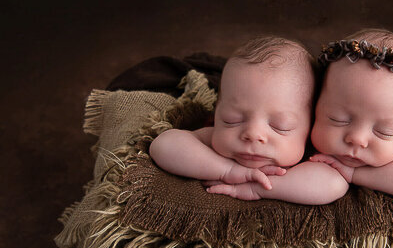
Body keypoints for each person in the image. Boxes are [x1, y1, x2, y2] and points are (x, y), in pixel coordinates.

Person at [150, 36, 349, 205]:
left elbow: (334, 184)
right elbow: (164, 145)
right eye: (232, 120)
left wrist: (259, 188)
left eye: (280, 126)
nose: (253, 134)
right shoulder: (212, 142)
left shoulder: (307, 157)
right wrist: (227, 170)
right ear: (216, 114)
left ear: (310, 126)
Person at [308, 29, 393, 197]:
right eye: (338, 119)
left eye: (384, 131)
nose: (357, 139)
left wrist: (353, 174)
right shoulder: (301, 122)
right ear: (315, 101)